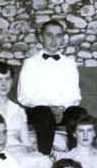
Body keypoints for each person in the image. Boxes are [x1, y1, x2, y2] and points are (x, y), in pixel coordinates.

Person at [17, 19, 82, 156]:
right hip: (38, 110)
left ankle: (75, 157)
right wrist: (50, 107)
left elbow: (75, 95)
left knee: (79, 114)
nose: (54, 40)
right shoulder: (31, 63)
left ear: (63, 39)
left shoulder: (69, 64)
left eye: (58, 36)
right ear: (41, 38)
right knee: (44, 114)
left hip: (63, 109)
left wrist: (61, 108)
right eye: (49, 35)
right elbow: (24, 96)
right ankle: (44, 157)